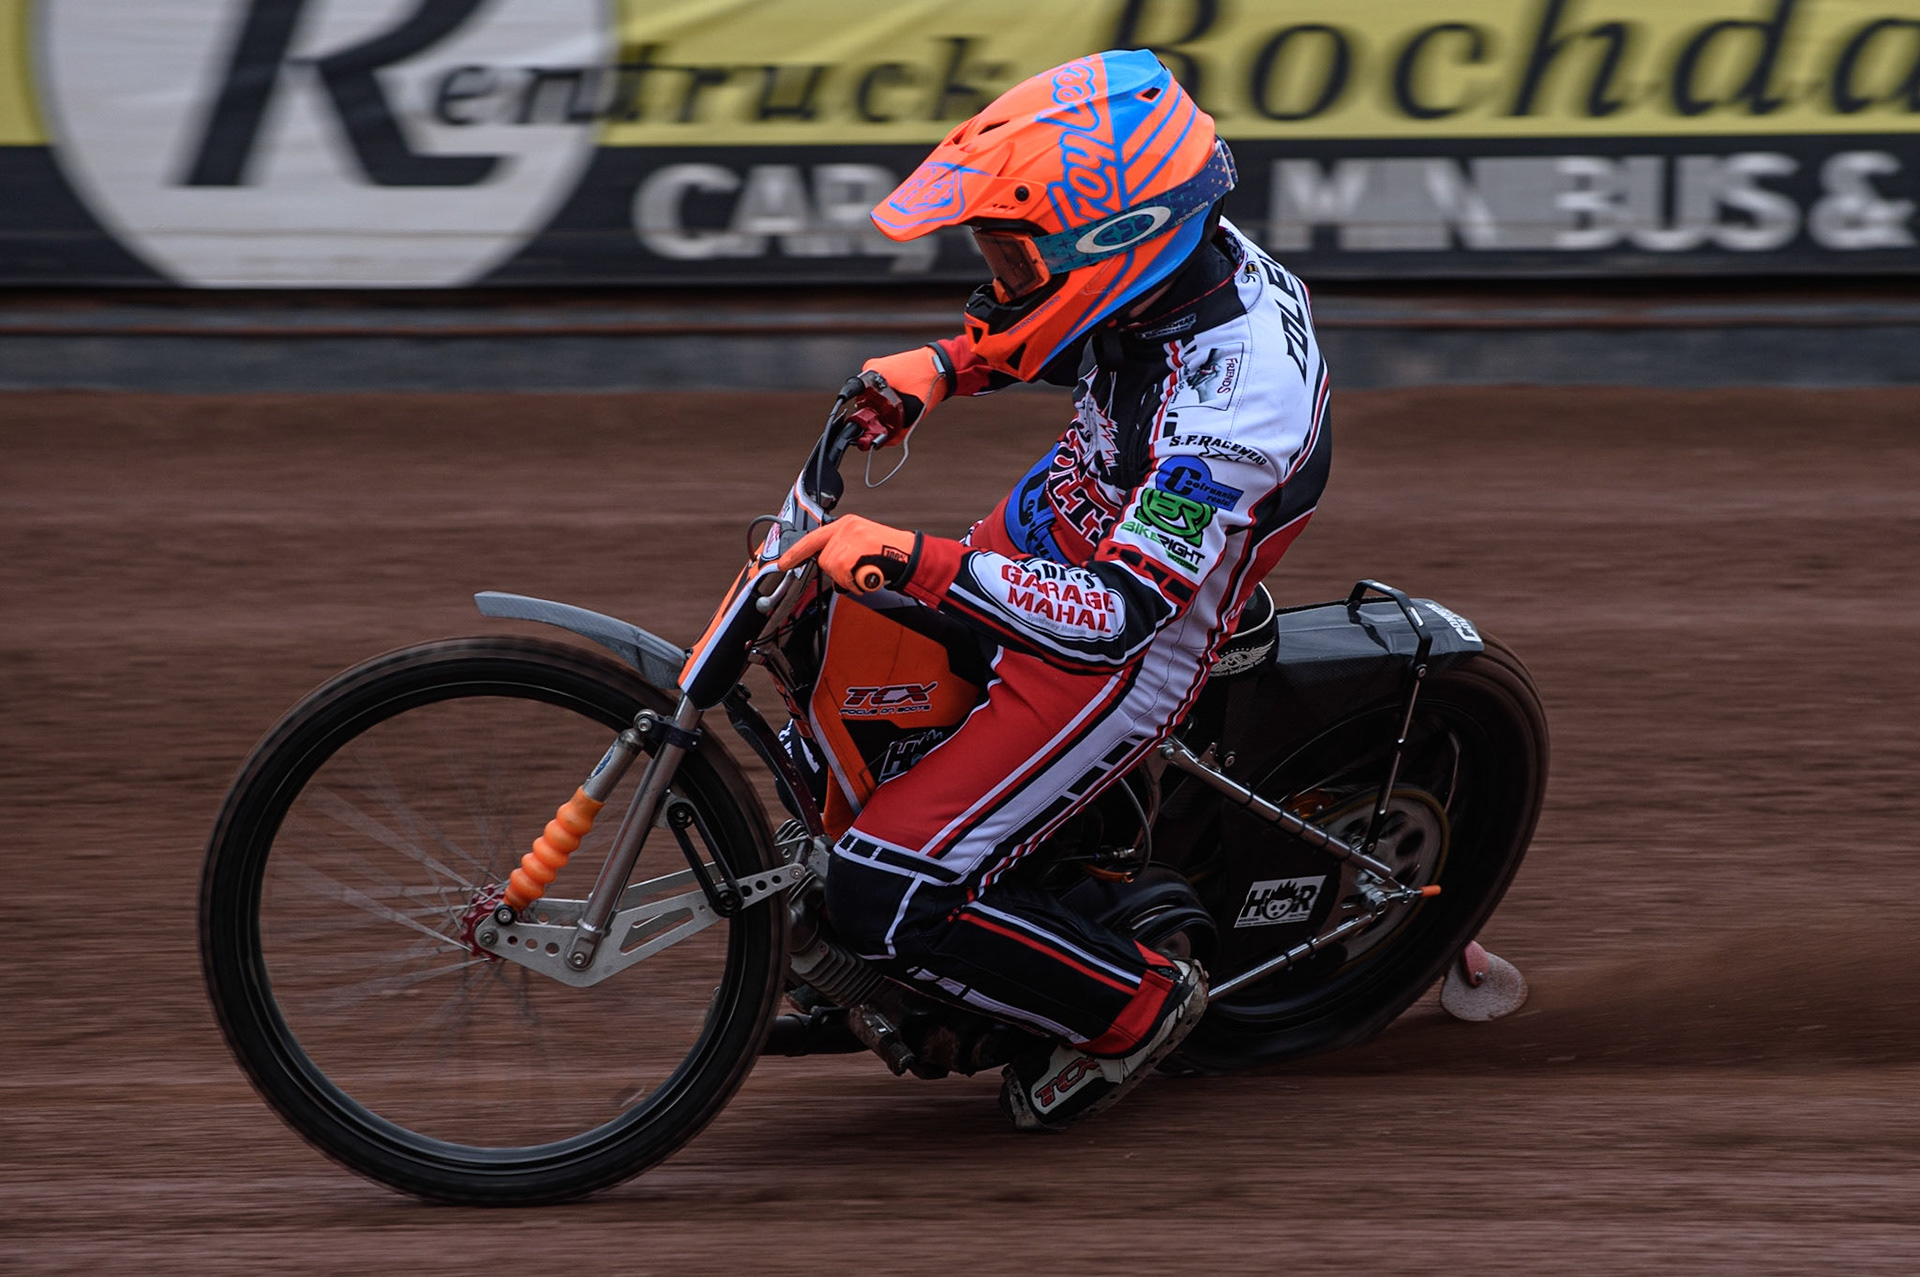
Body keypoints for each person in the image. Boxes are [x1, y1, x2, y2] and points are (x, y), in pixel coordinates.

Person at [778, 49, 1331, 1132]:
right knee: (823, 650)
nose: (993, 274)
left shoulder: (1237, 401)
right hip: (1047, 534)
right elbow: (1062, 316)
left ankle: (1133, 1009)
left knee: (878, 893)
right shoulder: (1178, 254)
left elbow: (1120, 616)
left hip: (1113, 648)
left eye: (1010, 254)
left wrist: (920, 560)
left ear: (1120, 234)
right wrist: (945, 364)